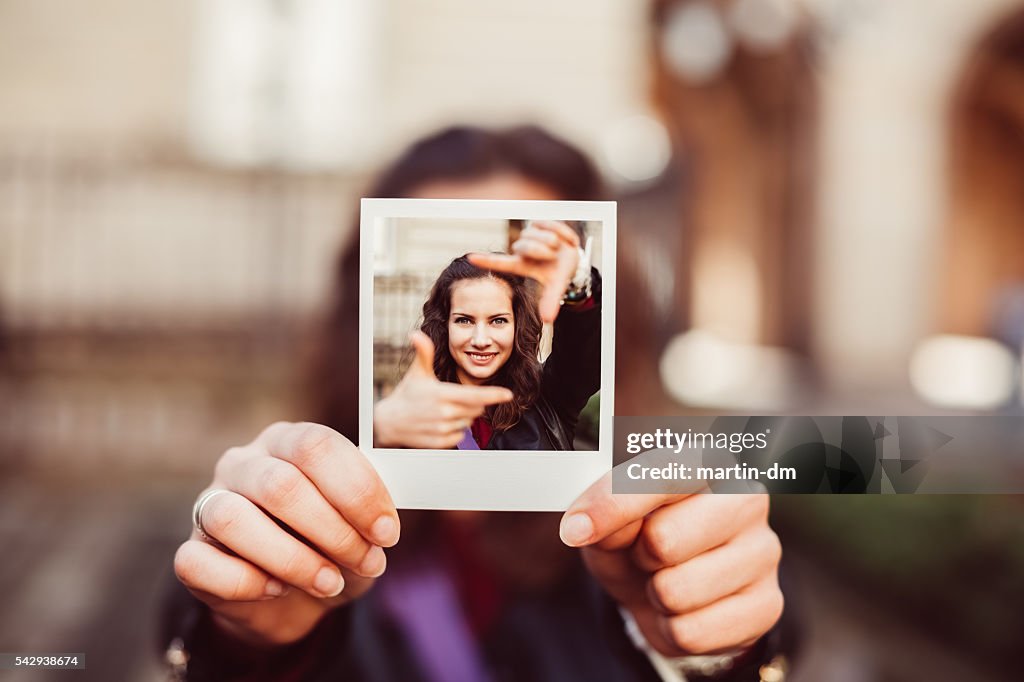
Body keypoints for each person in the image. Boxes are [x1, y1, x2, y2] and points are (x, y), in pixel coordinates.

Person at [160, 126, 792, 681]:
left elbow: (765, 634)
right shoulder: (306, 500)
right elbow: (192, 627)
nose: (482, 336)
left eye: (502, 311)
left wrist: (709, 648)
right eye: (466, 317)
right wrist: (248, 637)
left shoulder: (572, 434)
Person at [374, 220, 601, 451]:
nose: (480, 340)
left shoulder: (550, 396)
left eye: (498, 321)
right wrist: (378, 433)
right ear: (444, 325)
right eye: (464, 320)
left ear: (517, 326)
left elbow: (582, 346)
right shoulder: (414, 416)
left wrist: (576, 283)